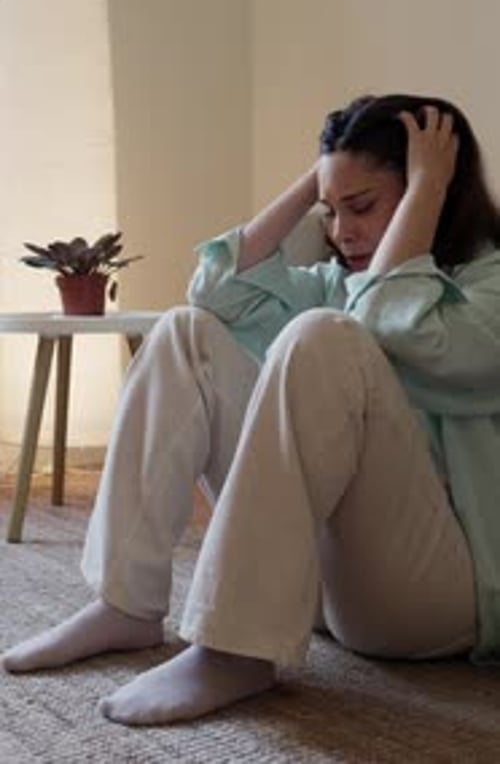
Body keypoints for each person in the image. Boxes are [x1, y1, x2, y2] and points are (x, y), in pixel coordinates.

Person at [3, 93, 500, 728]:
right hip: (328, 589)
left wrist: (429, 185)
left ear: (434, 194)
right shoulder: (340, 279)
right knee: (188, 333)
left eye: (364, 207)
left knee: (323, 334)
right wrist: (318, 178)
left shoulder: (486, 291)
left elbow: (393, 321)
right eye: (333, 212)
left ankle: (235, 646)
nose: (342, 231)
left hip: (434, 604)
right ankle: (125, 603)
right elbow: (215, 290)